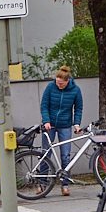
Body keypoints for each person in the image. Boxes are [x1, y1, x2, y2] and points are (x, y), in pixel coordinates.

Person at [39, 66, 83, 196]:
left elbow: (78, 108)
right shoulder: (50, 87)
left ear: (68, 80)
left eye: (61, 83)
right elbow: (44, 105)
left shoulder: (75, 90)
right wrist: (46, 121)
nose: (59, 85)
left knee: (65, 156)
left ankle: (65, 185)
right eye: (57, 82)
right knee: (45, 154)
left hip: (65, 125)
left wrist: (76, 124)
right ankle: (42, 184)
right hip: (50, 125)